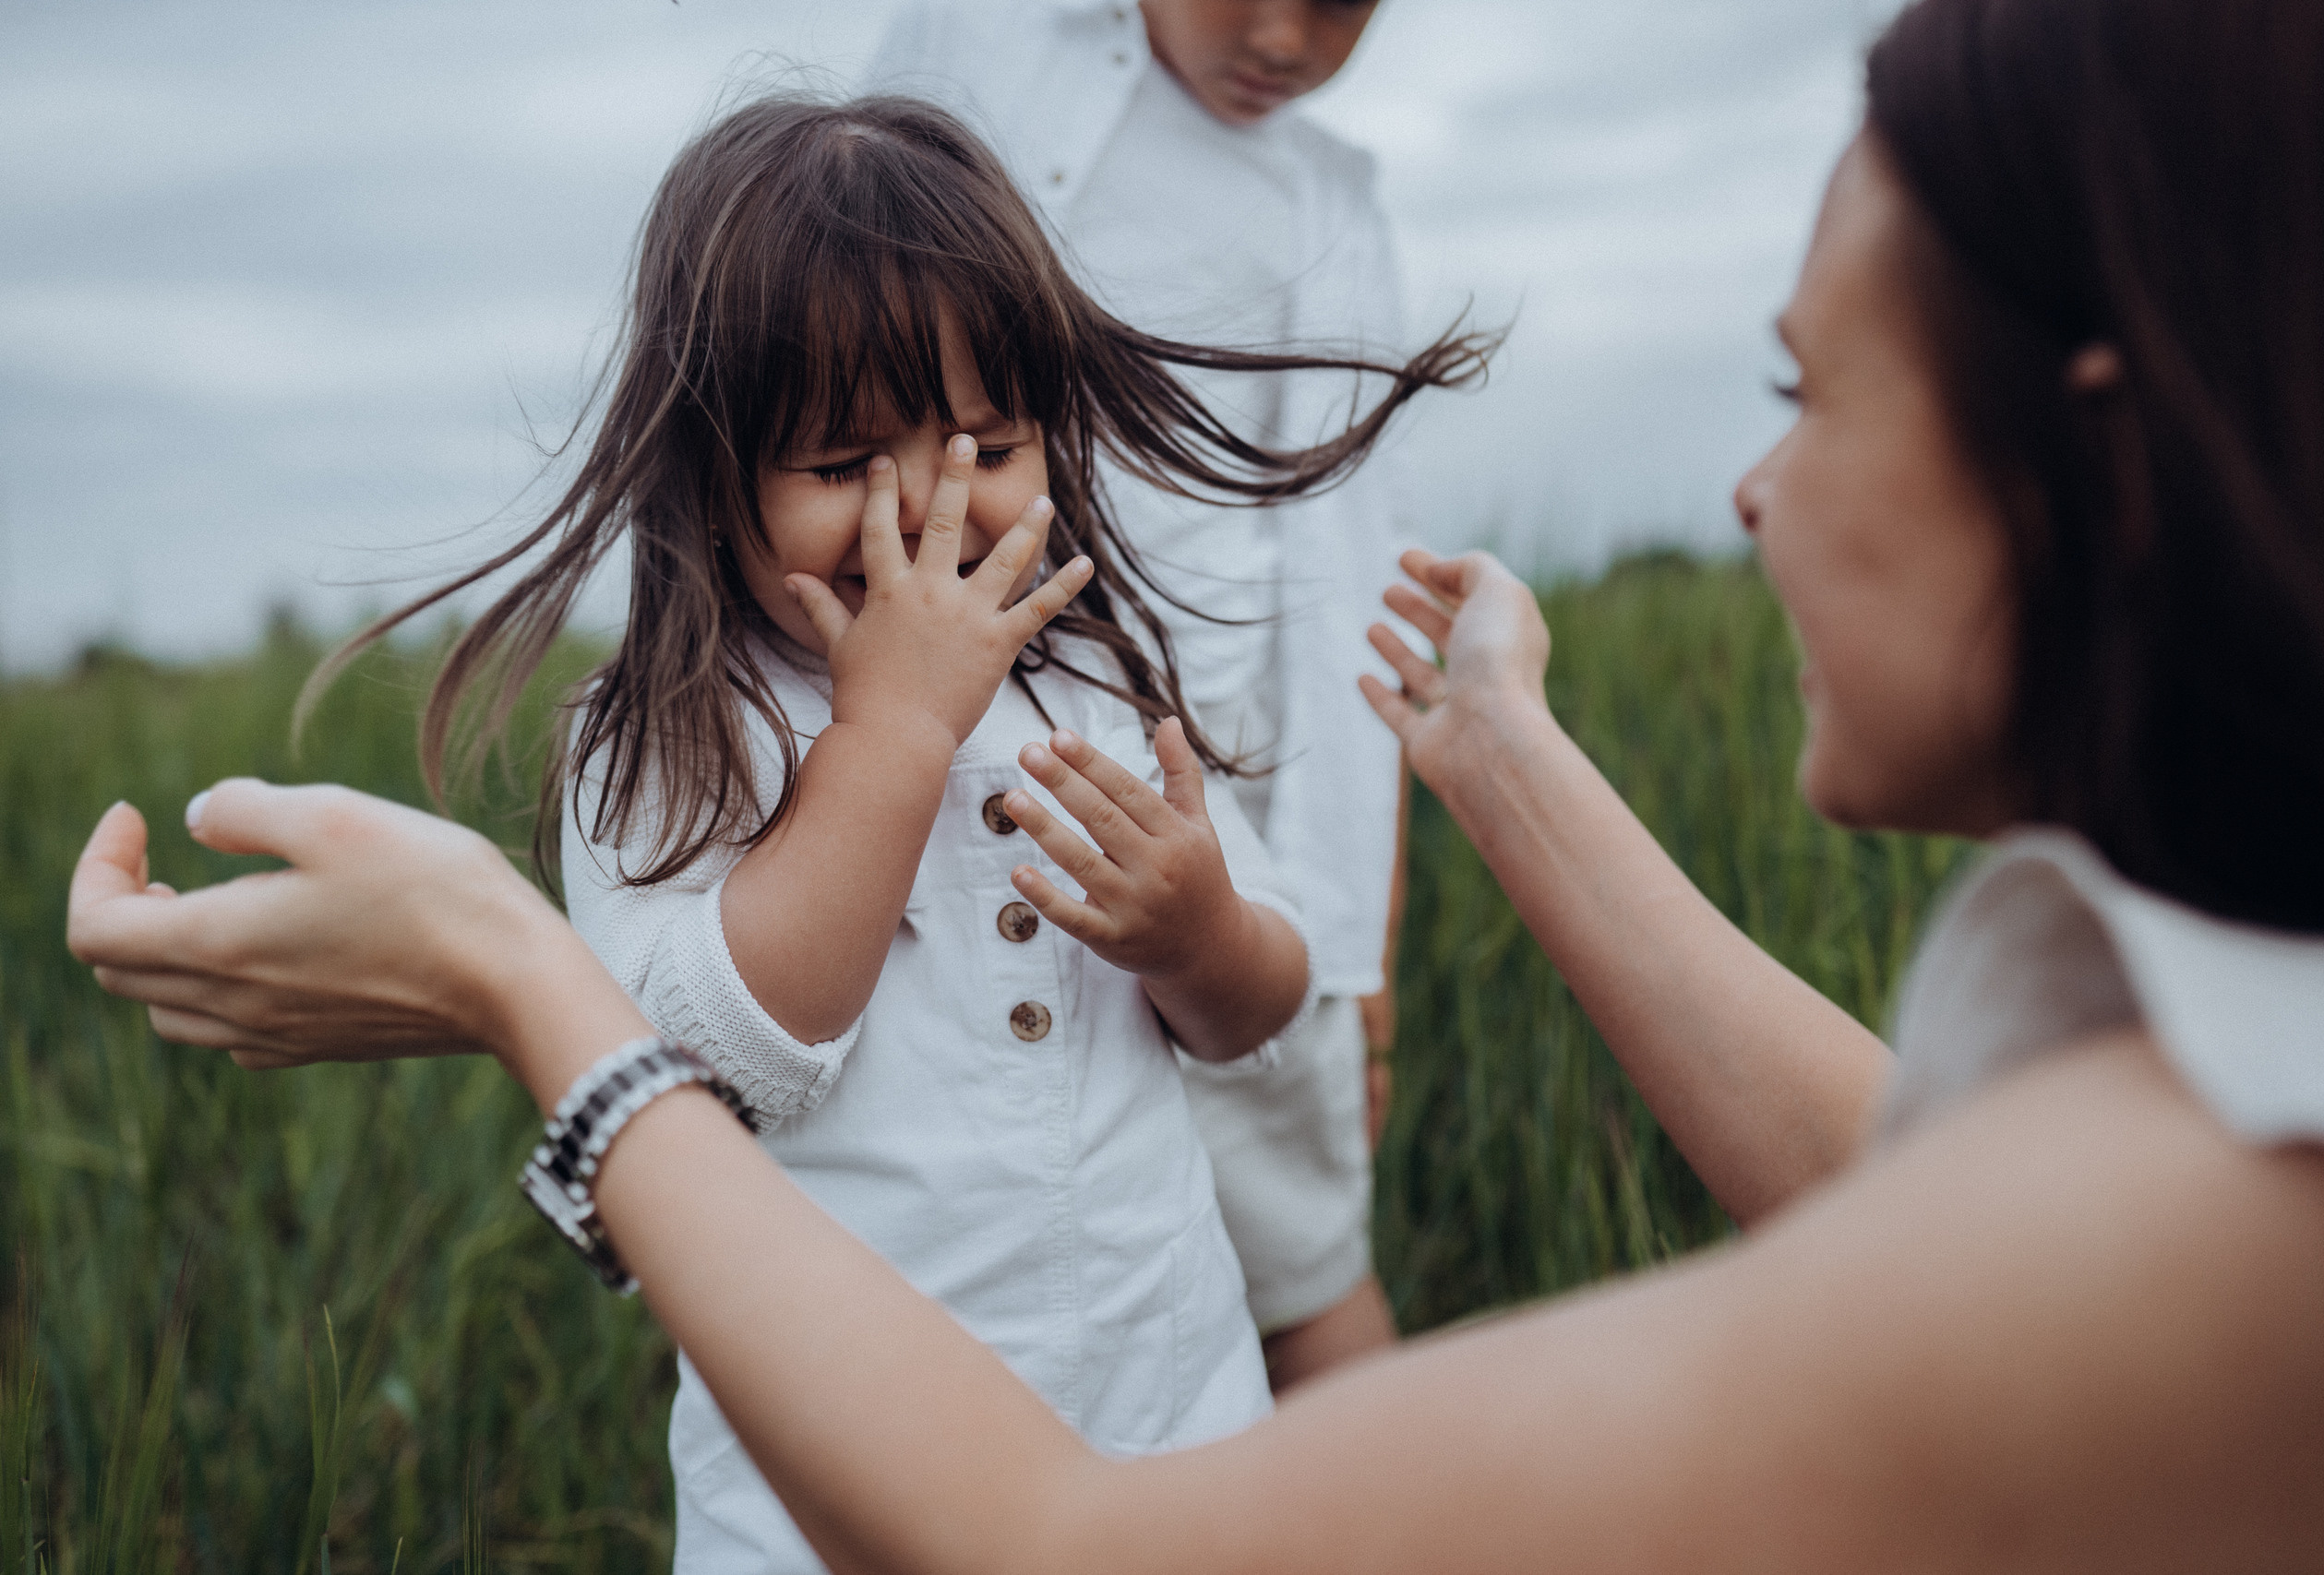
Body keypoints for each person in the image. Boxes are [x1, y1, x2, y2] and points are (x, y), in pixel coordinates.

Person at [66, 0, 2324, 1567]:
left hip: (1149, 1428)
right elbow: (1906, 1188)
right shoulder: (2176, 1114)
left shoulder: (2211, 1234)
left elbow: (1071, 1531)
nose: (1750, 486)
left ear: (2100, 461)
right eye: (844, 458)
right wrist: (1491, 748)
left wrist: (508, 970)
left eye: (1809, 390)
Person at [291, 94, 1481, 1571]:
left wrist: (1204, 935)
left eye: (988, 442)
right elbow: (715, 1071)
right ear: (709, 476)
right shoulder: (670, 731)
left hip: (1174, 1434)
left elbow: (1260, 1009)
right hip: (826, 1504)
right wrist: (898, 737)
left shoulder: (1092, 677)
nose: (927, 513)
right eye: (847, 467)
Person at [867, 0, 1410, 1388]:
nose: (1285, 40)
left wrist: (1352, 954)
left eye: (1346, 5)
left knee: (1301, 1271)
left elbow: (1347, 589)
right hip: (921, 774)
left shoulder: (1324, 210)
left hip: (1203, 819)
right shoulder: (968, 39)